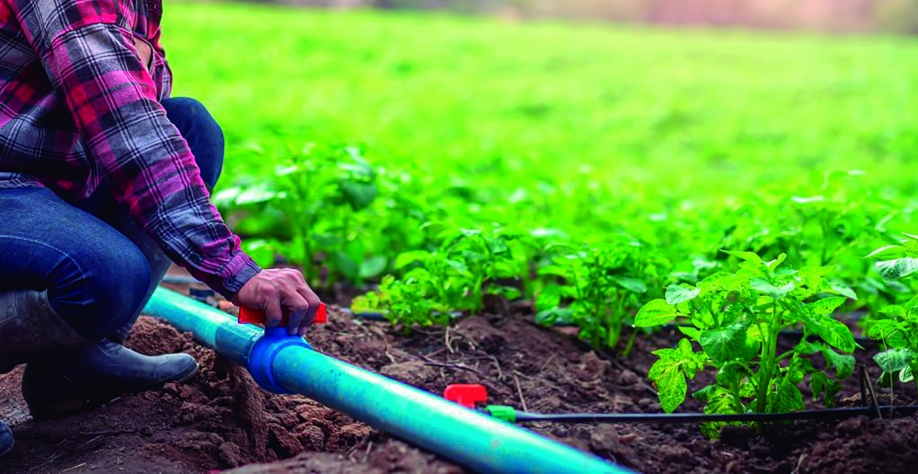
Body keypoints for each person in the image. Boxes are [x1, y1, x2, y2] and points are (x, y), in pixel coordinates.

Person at [0, 0, 321, 458]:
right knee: (104, 275)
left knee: (190, 126)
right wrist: (235, 269)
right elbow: (125, 120)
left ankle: (74, 367)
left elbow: (139, 87)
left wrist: (136, 59)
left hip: (36, 175)